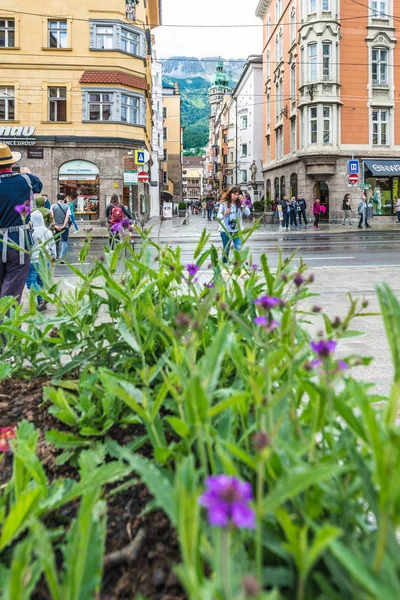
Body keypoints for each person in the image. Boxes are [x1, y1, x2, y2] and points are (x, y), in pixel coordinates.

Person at [0, 144, 42, 304]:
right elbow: (38, 185)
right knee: (12, 290)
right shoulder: (25, 180)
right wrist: (29, 173)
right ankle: (7, 326)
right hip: (19, 243)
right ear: (11, 163)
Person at [26, 210, 56, 311]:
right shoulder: (47, 231)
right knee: (41, 281)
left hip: (33, 260)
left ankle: (41, 297)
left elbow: (28, 245)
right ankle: (41, 301)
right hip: (45, 260)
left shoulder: (31, 231)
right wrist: (53, 256)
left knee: (31, 282)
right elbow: (52, 244)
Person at [217, 186, 250, 263]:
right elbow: (218, 216)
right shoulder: (224, 204)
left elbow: (248, 213)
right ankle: (224, 267)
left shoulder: (240, 205)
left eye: (238, 194)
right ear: (230, 194)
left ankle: (238, 268)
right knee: (226, 250)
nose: (236, 196)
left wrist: (243, 202)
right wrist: (225, 213)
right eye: (234, 194)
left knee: (238, 249)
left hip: (237, 230)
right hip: (225, 231)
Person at [50, 193, 70, 261]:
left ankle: (56, 256)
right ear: (64, 199)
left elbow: (52, 217)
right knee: (64, 241)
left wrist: (55, 225)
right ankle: (62, 257)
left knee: (56, 241)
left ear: (57, 198)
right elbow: (67, 217)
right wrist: (63, 225)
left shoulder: (53, 206)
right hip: (65, 227)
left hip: (56, 227)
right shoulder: (67, 207)